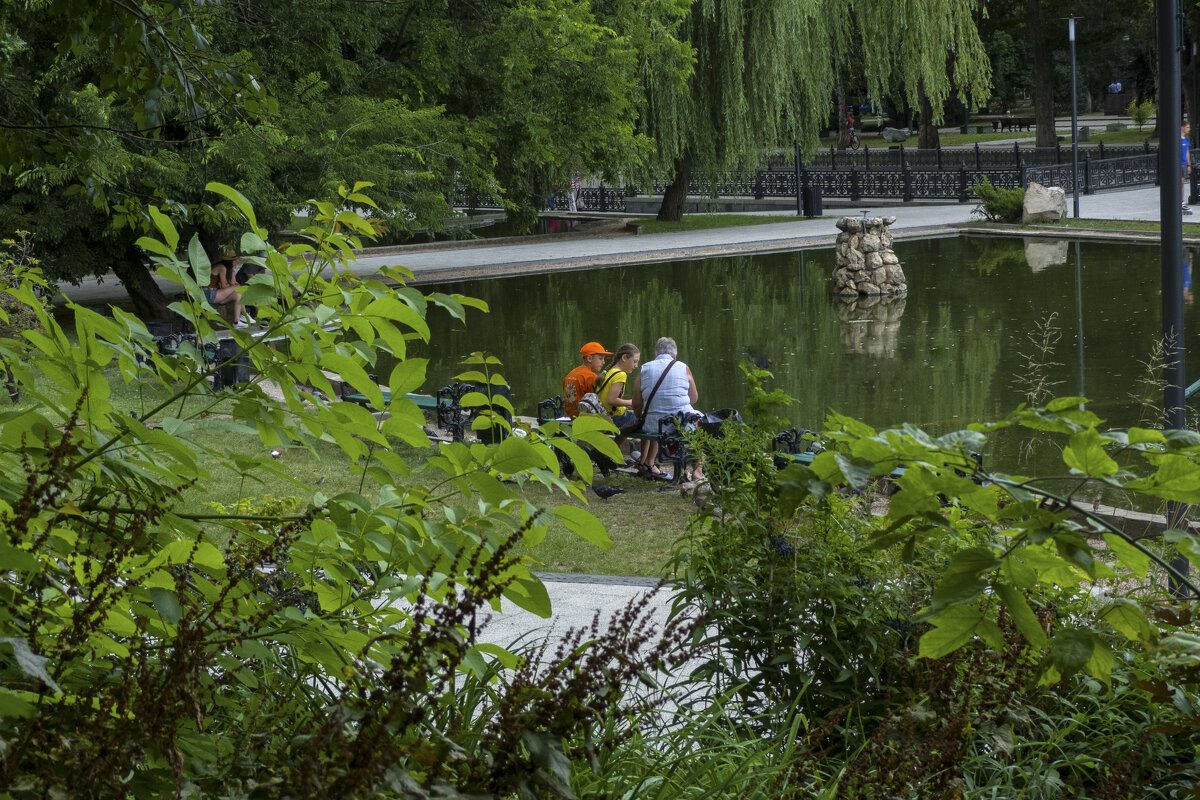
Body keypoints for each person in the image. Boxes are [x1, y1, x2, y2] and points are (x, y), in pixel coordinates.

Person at [630, 336, 699, 480]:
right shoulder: (683, 367)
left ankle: (650, 462)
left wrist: (640, 418)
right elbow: (693, 399)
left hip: (653, 426)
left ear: (656, 354)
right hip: (680, 424)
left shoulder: (644, 368)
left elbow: (636, 403)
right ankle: (698, 470)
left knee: (660, 418)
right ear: (675, 355)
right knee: (704, 425)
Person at [596, 343, 640, 432]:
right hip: (615, 418)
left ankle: (616, 445)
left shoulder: (610, 371)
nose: (636, 366)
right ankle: (646, 447)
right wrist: (632, 402)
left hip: (604, 415)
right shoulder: (621, 374)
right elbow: (611, 400)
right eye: (634, 361)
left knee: (633, 414)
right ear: (624, 358)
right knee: (647, 420)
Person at [562, 341, 610, 419]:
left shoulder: (570, 374)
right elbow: (599, 401)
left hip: (572, 417)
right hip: (585, 419)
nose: (603, 362)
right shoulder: (591, 377)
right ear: (589, 358)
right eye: (600, 358)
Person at [206, 253, 251, 329]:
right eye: (235, 261)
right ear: (230, 261)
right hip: (210, 294)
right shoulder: (222, 267)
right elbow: (224, 286)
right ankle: (244, 315)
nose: (236, 262)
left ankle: (237, 322)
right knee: (238, 287)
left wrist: (233, 270)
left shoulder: (225, 268)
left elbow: (232, 283)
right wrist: (232, 286)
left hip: (216, 294)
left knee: (238, 295)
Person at [1184, 120, 1193, 216]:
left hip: (1184, 164)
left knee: (1182, 183)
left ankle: (1181, 201)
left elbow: (1187, 153)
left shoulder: (1186, 139)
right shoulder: (1178, 139)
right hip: (1179, 164)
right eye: (1187, 127)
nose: (1189, 129)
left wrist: (1189, 165)